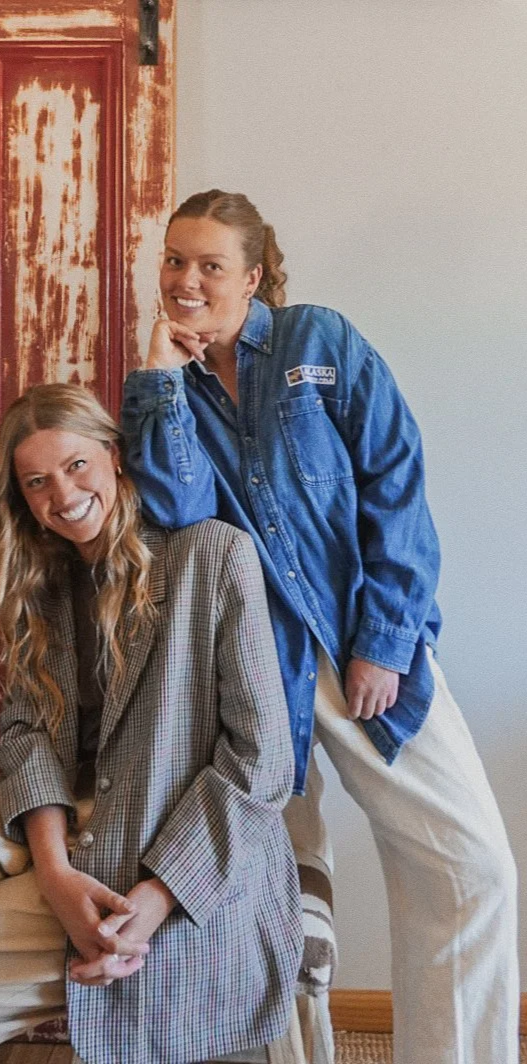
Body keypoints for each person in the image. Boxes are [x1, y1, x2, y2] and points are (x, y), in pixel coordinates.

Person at [120, 189, 520, 1064]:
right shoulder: (166, 387)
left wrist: (383, 641)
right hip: (257, 670)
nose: (186, 280)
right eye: (174, 260)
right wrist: (159, 375)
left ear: (253, 276)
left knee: (469, 869)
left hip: (360, 646)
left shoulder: (318, 343)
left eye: (210, 265)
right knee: (283, 900)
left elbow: (395, 482)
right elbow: (176, 511)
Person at [0, 382, 304, 1064]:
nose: (63, 494)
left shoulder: (211, 554)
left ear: (114, 456)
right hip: (58, 810)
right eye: (37, 481)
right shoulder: (39, 582)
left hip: (162, 812)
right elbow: (25, 735)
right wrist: (53, 869)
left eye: (76, 465)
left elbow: (262, 759)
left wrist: (156, 898)